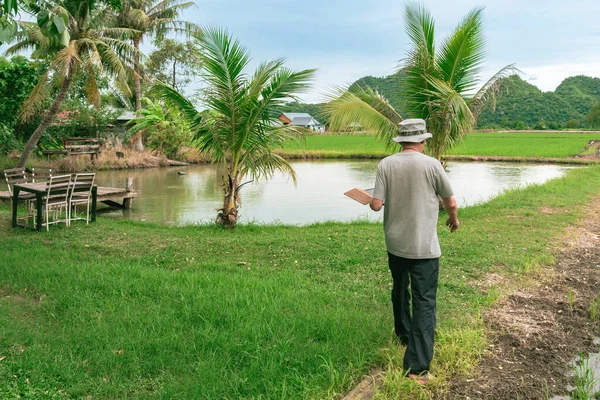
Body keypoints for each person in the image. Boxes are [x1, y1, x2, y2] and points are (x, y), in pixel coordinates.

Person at [369, 118, 459, 385]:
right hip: (424, 247)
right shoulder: (432, 165)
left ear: (401, 140)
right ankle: (417, 368)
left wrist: (370, 199)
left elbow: (376, 205)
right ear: (423, 140)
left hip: (395, 244)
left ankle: (404, 334)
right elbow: (450, 201)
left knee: (400, 287)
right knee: (424, 300)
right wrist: (453, 219)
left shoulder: (386, 164)